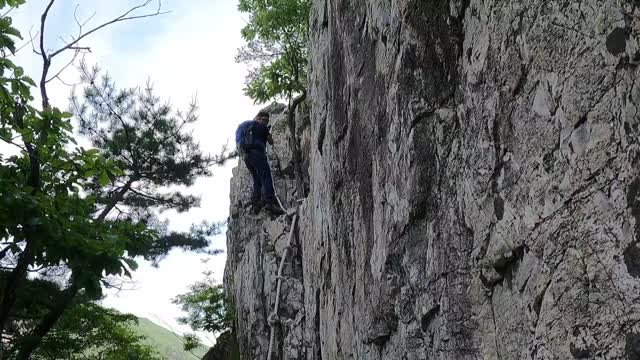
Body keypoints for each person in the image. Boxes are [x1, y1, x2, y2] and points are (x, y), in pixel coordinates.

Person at [236, 111, 285, 215]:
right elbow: (270, 141)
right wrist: (268, 133)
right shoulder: (261, 126)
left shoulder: (246, 125)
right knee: (266, 175)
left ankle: (255, 203)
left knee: (256, 178)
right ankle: (270, 202)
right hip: (257, 154)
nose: (266, 122)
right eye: (265, 120)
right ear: (260, 118)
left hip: (246, 157)